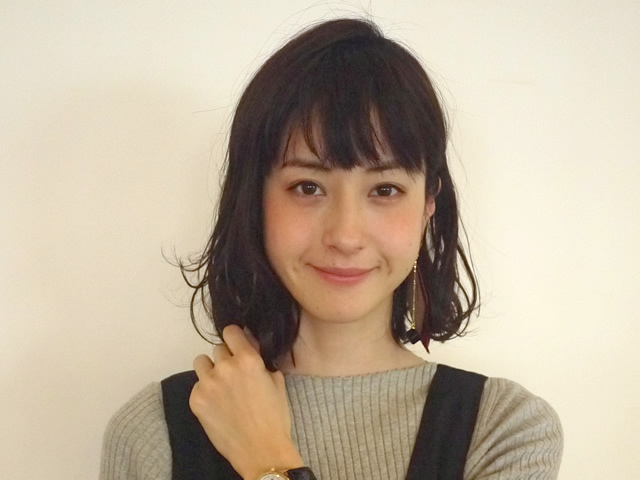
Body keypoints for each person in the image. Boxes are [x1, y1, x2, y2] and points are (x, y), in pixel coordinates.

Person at [100, 18, 563, 480]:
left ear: (428, 205)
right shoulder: (155, 434)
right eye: (308, 187)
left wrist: (268, 462)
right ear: (254, 199)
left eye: (384, 190)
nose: (345, 235)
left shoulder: (504, 430)